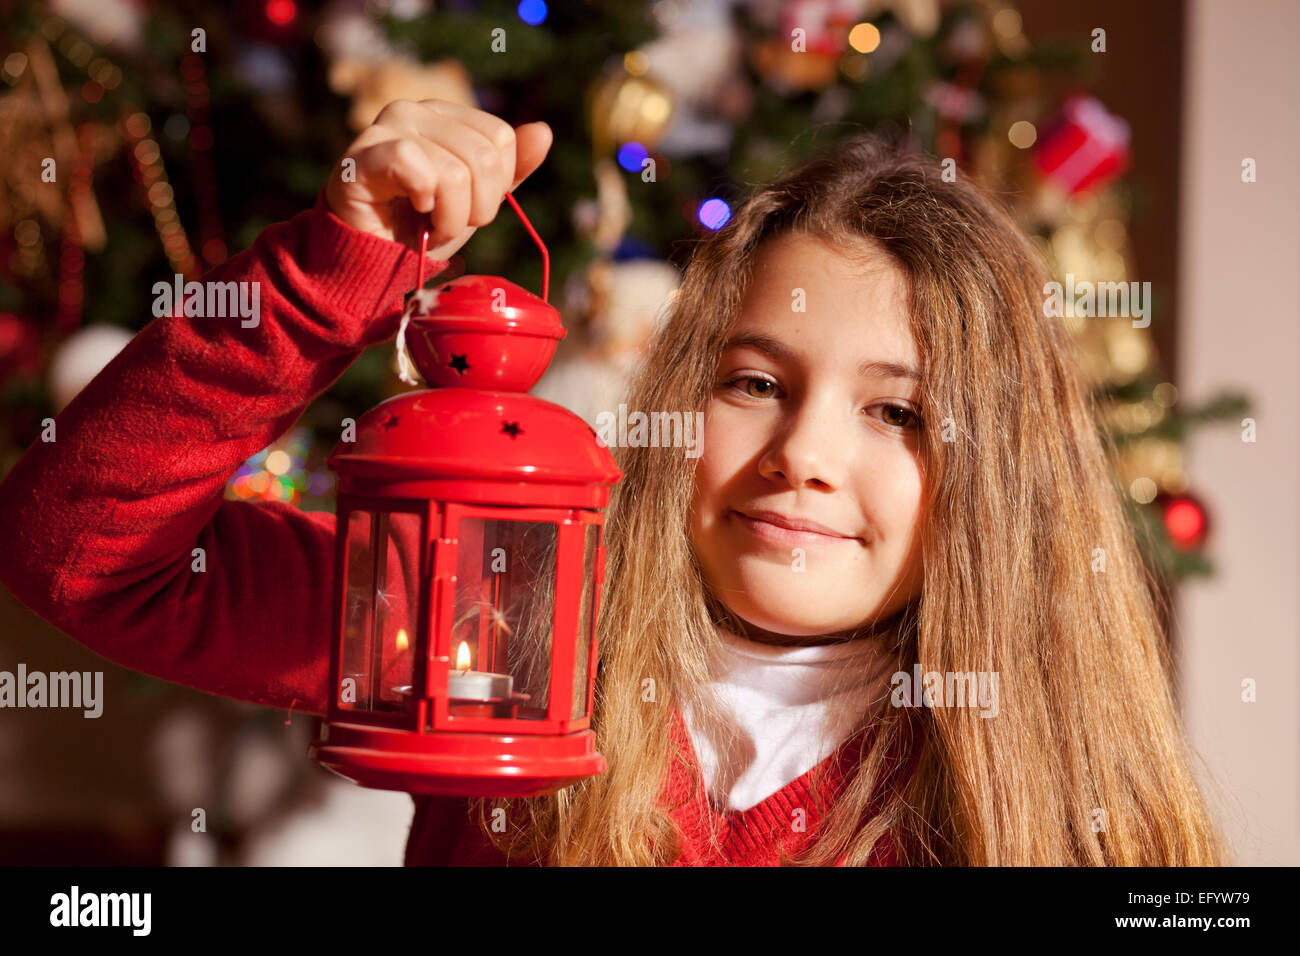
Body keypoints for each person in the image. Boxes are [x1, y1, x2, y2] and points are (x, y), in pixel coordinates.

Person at [0, 99, 1227, 866]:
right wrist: (335, 272)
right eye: (754, 382)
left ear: (993, 473)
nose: (803, 451)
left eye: (894, 409)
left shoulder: (1035, 779)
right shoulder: (481, 614)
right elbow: (78, 548)